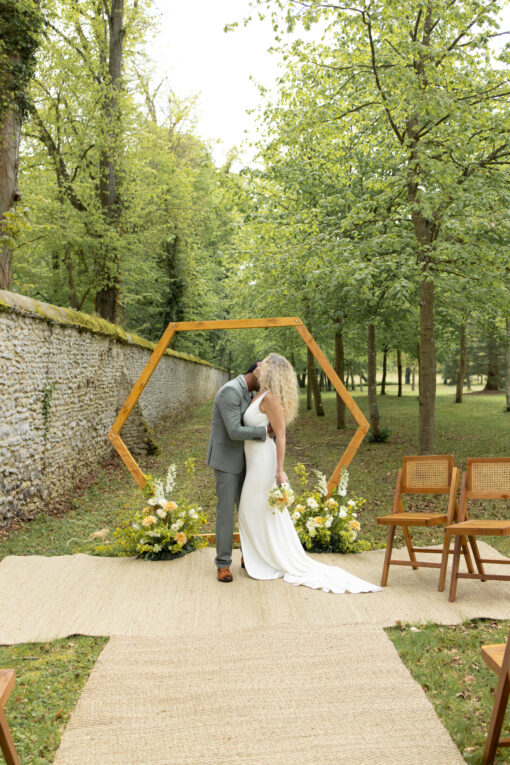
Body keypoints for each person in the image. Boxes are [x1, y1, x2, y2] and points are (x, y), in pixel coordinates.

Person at [238, 353, 382, 594]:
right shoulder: (260, 394)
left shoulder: (271, 398)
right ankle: (260, 556)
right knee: (251, 510)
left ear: (272, 371)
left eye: (265, 362)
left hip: (264, 460)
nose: (259, 364)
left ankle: (268, 558)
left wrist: (280, 471)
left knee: (253, 508)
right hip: (252, 460)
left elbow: (281, 434)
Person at [206, 361, 269, 582]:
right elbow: (233, 430)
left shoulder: (249, 392)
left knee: (248, 509)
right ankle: (223, 564)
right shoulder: (230, 391)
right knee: (226, 513)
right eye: (266, 376)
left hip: (247, 460)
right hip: (226, 461)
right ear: (255, 372)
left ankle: (248, 555)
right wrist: (264, 431)